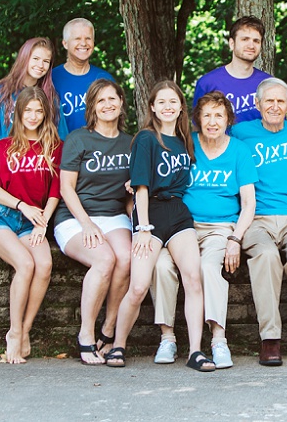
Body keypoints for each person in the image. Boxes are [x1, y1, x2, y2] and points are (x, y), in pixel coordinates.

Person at [104, 81, 212, 372]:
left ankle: (196, 351)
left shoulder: (185, 140)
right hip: (149, 212)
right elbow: (140, 186)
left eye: (173, 101)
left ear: (180, 106)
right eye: (161, 102)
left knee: (193, 278)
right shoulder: (146, 139)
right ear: (152, 107)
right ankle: (118, 346)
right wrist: (142, 228)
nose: (167, 106)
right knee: (138, 286)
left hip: (177, 213)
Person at [232, 78, 287, 366]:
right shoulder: (240, 133)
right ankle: (270, 339)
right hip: (256, 217)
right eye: (268, 101)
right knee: (267, 256)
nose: (274, 106)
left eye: (280, 101)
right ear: (257, 105)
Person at [0, 86, 62, 364]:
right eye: (28, 110)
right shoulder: (4, 147)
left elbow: (55, 191)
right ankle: (13, 333)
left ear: (46, 114)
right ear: (19, 112)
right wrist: (22, 205)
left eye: (39, 110)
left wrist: (42, 223)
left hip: (32, 223)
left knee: (45, 265)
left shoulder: (54, 147)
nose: (33, 115)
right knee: (25, 265)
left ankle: (25, 331)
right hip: (1, 217)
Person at [52, 79, 133, 365]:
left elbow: (130, 194)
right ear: (92, 107)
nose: (108, 105)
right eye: (101, 101)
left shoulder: (130, 142)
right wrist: (86, 224)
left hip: (113, 216)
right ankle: (86, 335)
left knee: (126, 257)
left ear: (121, 102)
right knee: (104, 259)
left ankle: (108, 329)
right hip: (74, 217)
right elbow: (66, 189)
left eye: (113, 99)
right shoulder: (78, 139)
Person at [176, 91, 258, 369]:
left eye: (219, 116)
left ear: (228, 120)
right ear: (197, 118)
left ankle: (218, 340)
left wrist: (235, 238)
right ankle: (167, 337)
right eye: (207, 115)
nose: (213, 121)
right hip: (183, 226)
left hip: (221, 227)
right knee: (162, 267)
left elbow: (248, 204)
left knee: (210, 268)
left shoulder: (239, 150)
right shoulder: (185, 146)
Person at [0, 37, 67, 242]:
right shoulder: (0, 93)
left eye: (46, 61)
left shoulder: (50, 97)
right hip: (8, 169)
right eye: (35, 58)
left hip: (36, 171)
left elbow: (59, 138)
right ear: (24, 58)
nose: (40, 65)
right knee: (6, 214)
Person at [193, 16, 272, 124]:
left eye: (256, 41)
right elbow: (197, 127)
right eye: (245, 39)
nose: (251, 45)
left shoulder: (269, 83)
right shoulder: (207, 83)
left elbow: (278, 127)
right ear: (232, 43)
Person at [51, 18, 114, 134]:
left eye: (88, 38)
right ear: (65, 43)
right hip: (63, 149)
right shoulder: (51, 79)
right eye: (77, 38)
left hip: (99, 149)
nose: (84, 43)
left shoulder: (104, 79)